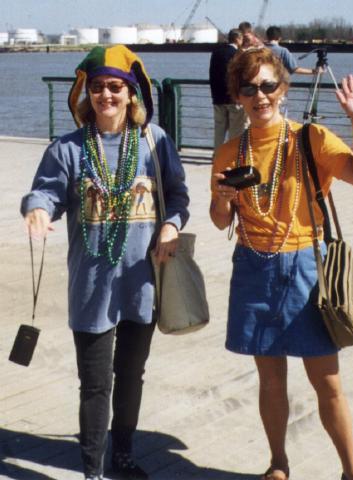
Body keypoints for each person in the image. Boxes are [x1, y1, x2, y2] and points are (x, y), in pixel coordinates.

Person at [21, 45, 189, 480]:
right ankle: (93, 470)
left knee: (132, 376)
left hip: (141, 283)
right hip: (92, 288)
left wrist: (171, 225)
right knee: (96, 385)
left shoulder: (156, 141)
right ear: (86, 93)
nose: (106, 96)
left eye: (116, 87)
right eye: (97, 88)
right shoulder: (68, 148)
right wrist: (37, 209)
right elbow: (46, 192)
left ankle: (124, 455)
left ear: (132, 93)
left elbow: (179, 195)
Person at [210, 48, 353, 480]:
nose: (259, 96)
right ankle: (278, 462)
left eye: (268, 86)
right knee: (270, 380)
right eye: (249, 89)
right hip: (253, 265)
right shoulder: (230, 151)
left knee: (328, 382)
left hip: (306, 268)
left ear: (282, 89)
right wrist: (222, 200)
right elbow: (220, 220)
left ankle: (352, 472)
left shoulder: (310, 138)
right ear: (238, 97)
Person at [209, 28, 249, 150]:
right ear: (238, 39)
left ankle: (217, 156)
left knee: (219, 131)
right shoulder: (238, 54)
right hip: (234, 98)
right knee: (235, 132)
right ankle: (232, 157)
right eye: (242, 39)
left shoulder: (216, 52)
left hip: (217, 97)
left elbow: (212, 73)